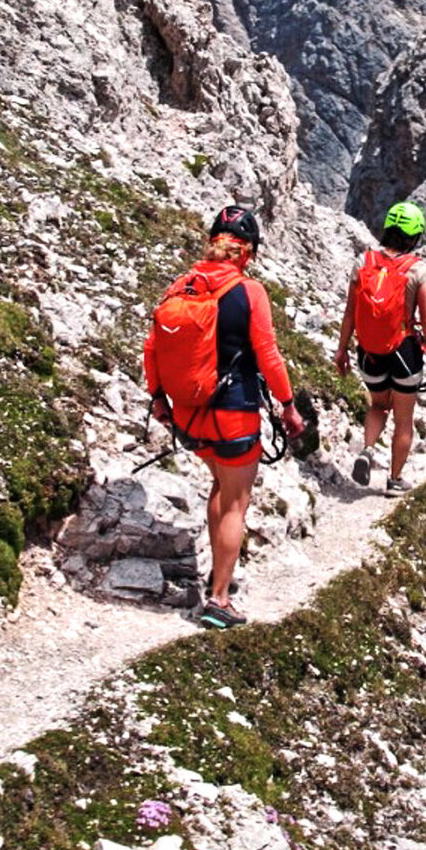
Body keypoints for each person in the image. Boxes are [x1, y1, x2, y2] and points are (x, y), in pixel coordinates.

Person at [143, 205, 304, 629]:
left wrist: (159, 400)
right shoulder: (249, 292)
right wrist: (288, 405)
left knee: (219, 485)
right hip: (233, 410)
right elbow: (268, 355)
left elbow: (152, 347)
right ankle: (218, 598)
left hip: (189, 413)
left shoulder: (181, 286)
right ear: (246, 252)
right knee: (236, 500)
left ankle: (219, 574)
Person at [335, 200, 426, 494]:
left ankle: (367, 450)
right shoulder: (418, 269)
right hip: (405, 353)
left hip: (369, 352)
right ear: (415, 236)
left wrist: (342, 350)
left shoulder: (364, 262)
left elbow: (349, 312)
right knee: (404, 419)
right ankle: (394, 481)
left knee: (379, 406)